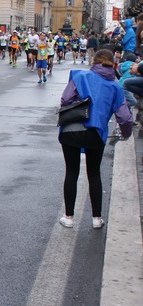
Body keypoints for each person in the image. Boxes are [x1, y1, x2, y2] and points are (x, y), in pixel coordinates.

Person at [58, 49, 132, 229]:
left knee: (72, 172)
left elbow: (66, 99)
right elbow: (124, 117)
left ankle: (68, 217)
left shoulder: (80, 76)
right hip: (95, 133)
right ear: (112, 63)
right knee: (94, 173)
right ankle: (97, 219)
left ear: (94, 61)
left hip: (71, 130)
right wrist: (126, 134)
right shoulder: (115, 86)